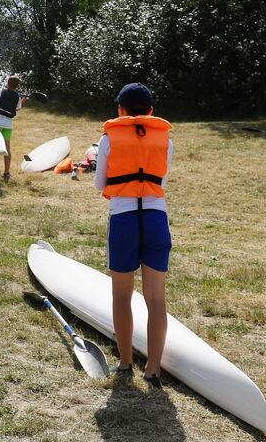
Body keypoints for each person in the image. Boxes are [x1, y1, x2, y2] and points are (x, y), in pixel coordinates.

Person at [94, 83, 173, 388]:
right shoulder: (165, 140)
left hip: (123, 219)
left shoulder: (108, 139)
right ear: (151, 112)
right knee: (156, 298)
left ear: (120, 111)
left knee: (121, 295)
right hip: (156, 219)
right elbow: (161, 180)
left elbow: (100, 184)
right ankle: (153, 369)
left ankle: (126, 362)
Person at [0, 76, 28, 180]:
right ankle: (6, 173)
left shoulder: (0, 91)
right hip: (8, 126)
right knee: (7, 149)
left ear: (7, 83)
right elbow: (18, 108)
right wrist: (23, 100)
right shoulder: (17, 97)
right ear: (17, 86)